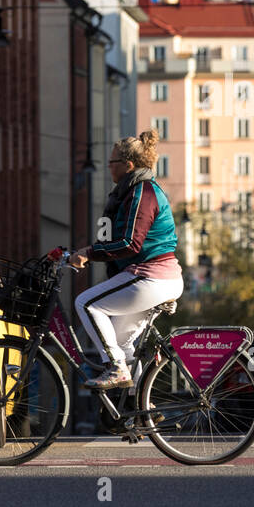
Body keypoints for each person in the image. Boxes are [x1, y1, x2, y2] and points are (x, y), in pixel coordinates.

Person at [70, 130, 183, 388]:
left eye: (111, 163)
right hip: (157, 278)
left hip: (151, 277)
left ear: (127, 165)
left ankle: (116, 368)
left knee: (86, 304)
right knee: (121, 344)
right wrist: (80, 253)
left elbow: (130, 244)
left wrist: (88, 253)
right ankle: (141, 411)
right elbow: (111, 239)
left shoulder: (142, 193)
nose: (108, 168)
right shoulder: (129, 192)